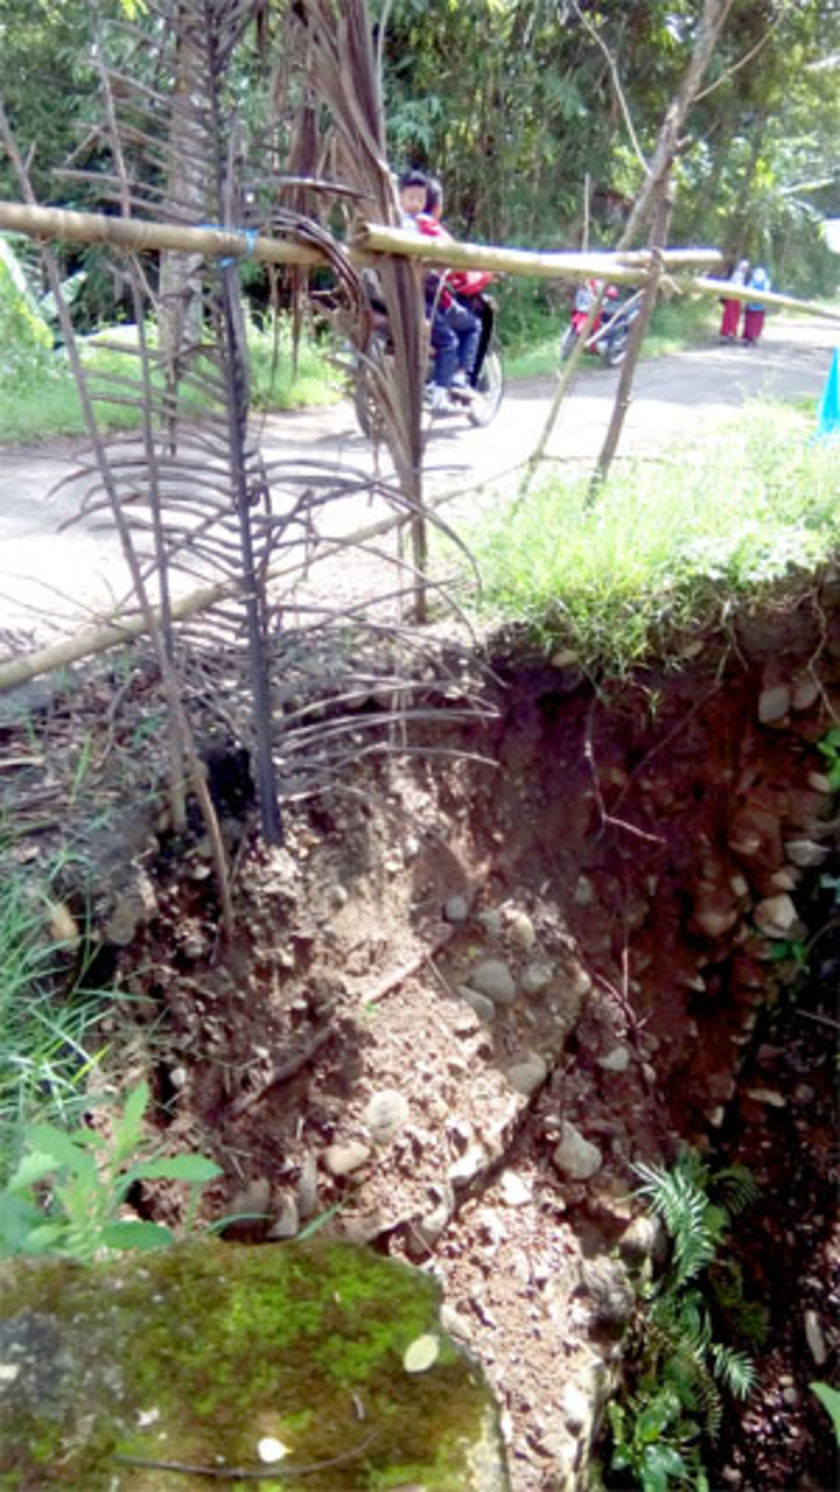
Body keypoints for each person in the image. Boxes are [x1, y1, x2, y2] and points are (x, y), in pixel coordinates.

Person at [397, 169, 458, 410]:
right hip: (413, 296)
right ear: (399, 197)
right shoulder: (415, 225)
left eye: (420, 199)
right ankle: (440, 395)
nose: (415, 204)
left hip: (400, 293)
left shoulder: (396, 221)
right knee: (449, 341)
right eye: (410, 198)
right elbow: (450, 248)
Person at [416, 177, 482, 390]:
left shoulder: (401, 224)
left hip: (401, 297)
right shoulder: (431, 227)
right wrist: (486, 272)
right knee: (473, 325)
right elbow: (460, 264)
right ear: (437, 207)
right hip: (432, 300)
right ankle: (460, 376)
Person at [719, 258, 750, 342]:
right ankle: (728, 332)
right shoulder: (738, 275)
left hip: (736, 298)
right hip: (732, 297)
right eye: (745, 268)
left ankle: (730, 332)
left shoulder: (741, 275)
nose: (746, 270)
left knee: (734, 316)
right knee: (730, 316)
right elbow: (736, 286)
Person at [742, 264, 771, 345]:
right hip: (758, 306)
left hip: (754, 306)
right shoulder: (765, 282)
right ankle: (753, 337)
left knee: (751, 322)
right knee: (756, 322)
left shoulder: (754, 282)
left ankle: (750, 337)